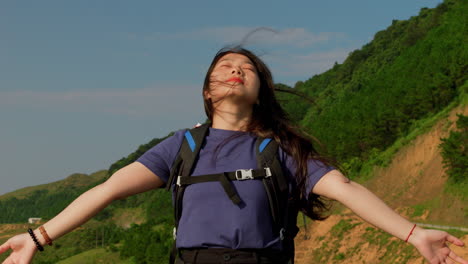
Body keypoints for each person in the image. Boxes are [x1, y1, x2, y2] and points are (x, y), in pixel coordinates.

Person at [0, 47, 466, 264]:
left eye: (246, 68)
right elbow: (106, 191)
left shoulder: (280, 149)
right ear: (207, 91)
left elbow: (345, 190)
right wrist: (37, 239)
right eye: (225, 67)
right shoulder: (181, 147)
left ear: (259, 89)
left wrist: (412, 234)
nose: (235, 70)